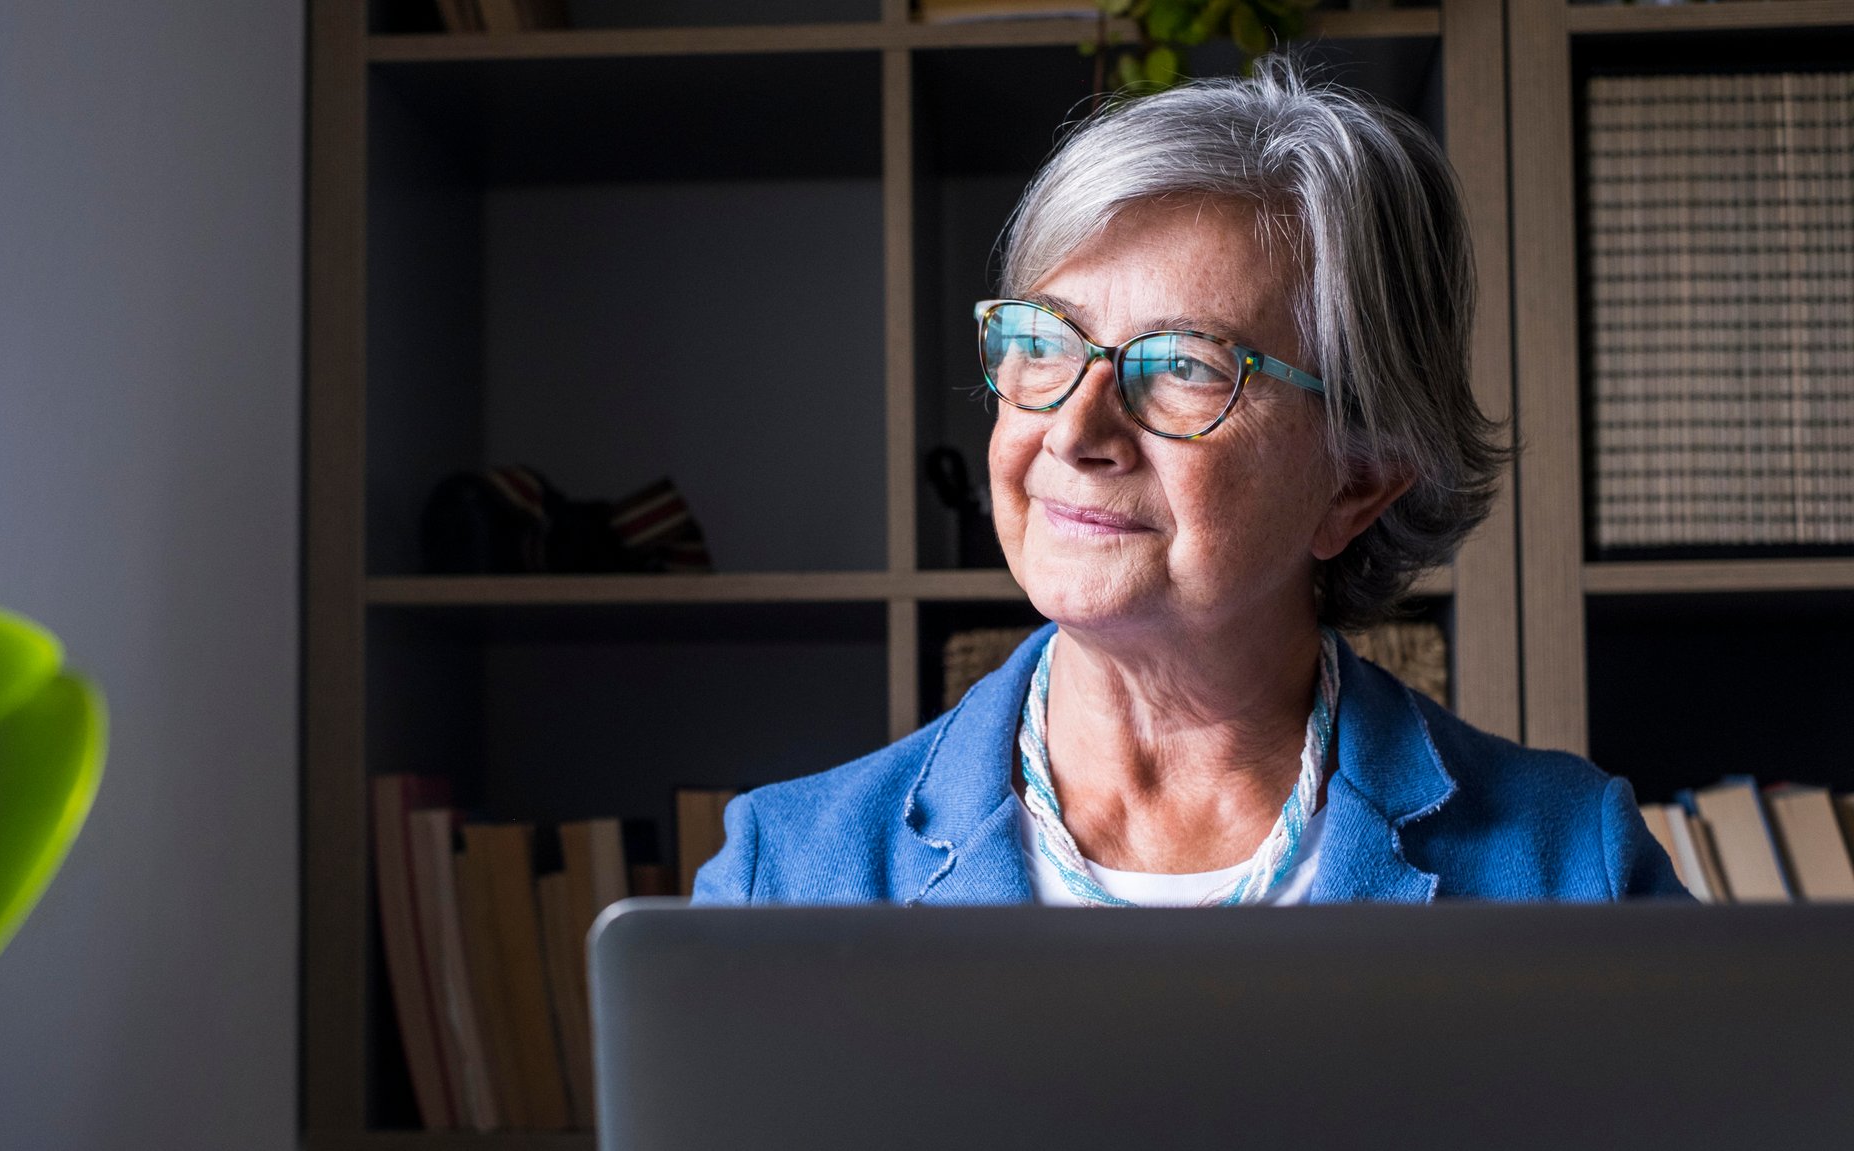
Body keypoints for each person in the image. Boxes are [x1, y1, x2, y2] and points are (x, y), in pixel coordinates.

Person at [694, 60, 1686, 907]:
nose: (1075, 431)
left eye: (1182, 365)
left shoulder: (1567, 867)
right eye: (1043, 341)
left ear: (1360, 479)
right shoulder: (782, 873)